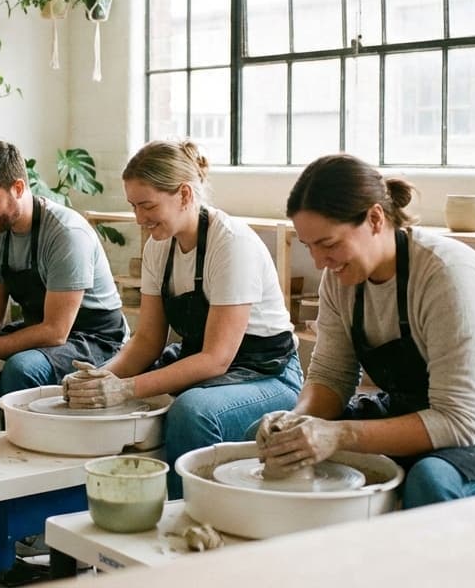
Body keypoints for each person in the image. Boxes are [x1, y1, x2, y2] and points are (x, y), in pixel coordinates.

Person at [260, 153, 475, 509]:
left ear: (374, 218)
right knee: (277, 447)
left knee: (431, 480)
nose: (320, 262)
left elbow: (458, 422)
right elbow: (331, 377)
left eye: (329, 244)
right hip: (413, 410)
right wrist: (298, 420)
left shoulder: (447, 277)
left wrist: (338, 434)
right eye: (309, 247)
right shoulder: (340, 279)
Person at [61, 139, 303, 497]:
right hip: (207, 365)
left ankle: (185, 521)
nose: (140, 219)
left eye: (148, 206)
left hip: (269, 374)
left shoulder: (231, 244)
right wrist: (101, 378)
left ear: (185, 195)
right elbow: (146, 341)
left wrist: (126, 387)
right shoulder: (160, 245)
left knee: (192, 412)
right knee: (102, 396)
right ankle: (103, 501)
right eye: (133, 206)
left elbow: (216, 358)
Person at [0, 140, 126, 396]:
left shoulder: (66, 234)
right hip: (41, 327)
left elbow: (56, 332)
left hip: (94, 337)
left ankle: (16, 436)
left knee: (21, 368)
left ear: (17, 188)